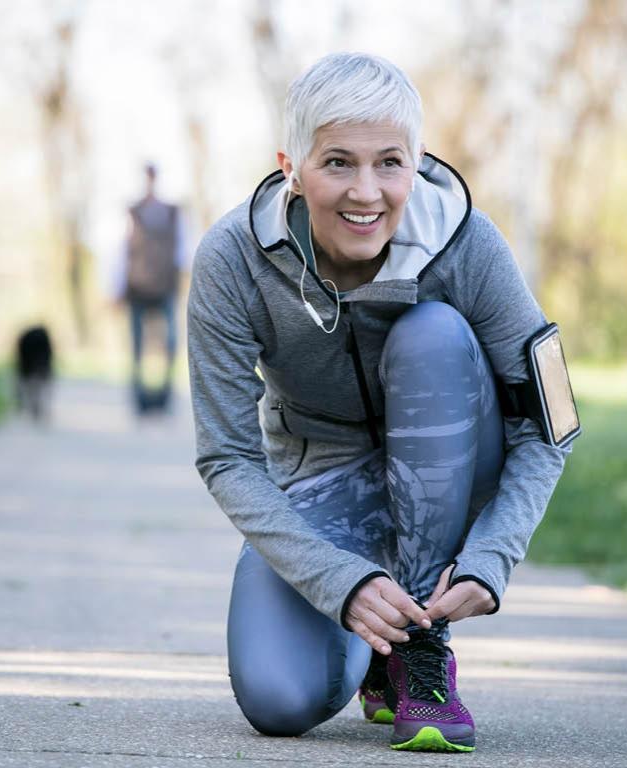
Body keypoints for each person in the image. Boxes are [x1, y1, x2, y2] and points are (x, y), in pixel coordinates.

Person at [187, 53, 577, 753]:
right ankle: (375, 648)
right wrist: (340, 581)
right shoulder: (233, 259)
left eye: (389, 162)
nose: (365, 192)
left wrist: (493, 556)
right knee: (278, 700)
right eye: (337, 162)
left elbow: (550, 424)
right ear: (291, 167)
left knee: (431, 333)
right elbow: (227, 458)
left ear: (417, 161)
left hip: (454, 464)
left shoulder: (469, 245)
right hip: (320, 479)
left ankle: (421, 649)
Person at [120, 164, 186, 415]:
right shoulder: (132, 212)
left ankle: (165, 395)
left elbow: (182, 249)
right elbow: (121, 249)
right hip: (137, 285)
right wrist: (116, 286)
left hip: (166, 285)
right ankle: (139, 398)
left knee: (170, 343)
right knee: (137, 345)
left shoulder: (173, 213)